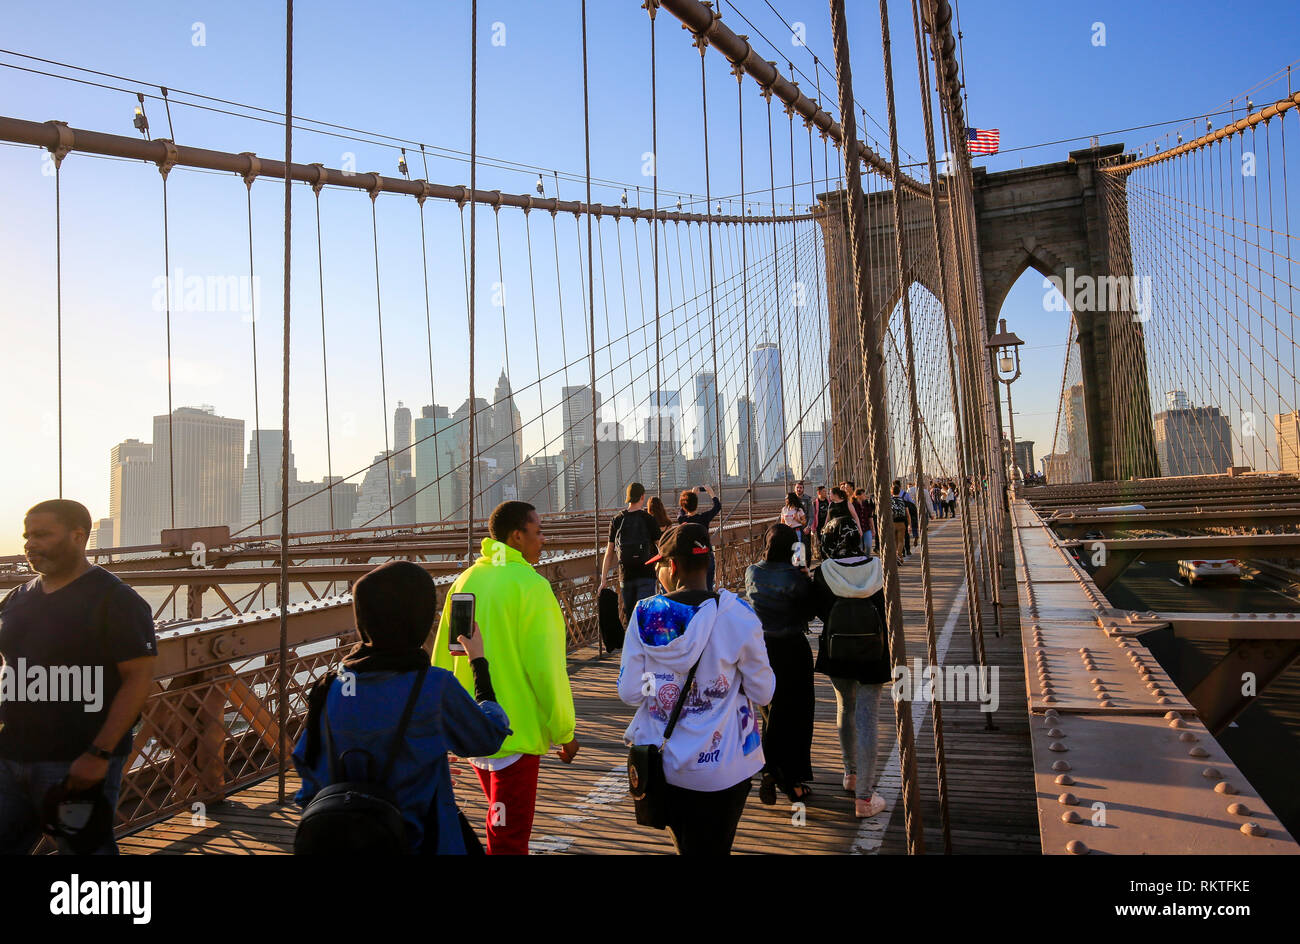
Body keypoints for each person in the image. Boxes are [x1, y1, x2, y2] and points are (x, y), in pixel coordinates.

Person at [293, 561, 510, 854]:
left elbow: (309, 781)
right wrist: (478, 663)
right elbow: (489, 737)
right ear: (417, 620)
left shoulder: (330, 686)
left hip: (341, 842)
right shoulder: (432, 686)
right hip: (422, 841)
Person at [0, 500, 156, 855]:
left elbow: (138, 678)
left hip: (74, 761)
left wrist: (98, 754)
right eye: (27, 536)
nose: (29, 544)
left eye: (42, 534)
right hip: (9, 758)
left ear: (78, 536)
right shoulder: (16, 599)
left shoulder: (116, 600)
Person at [431, 501, 579, 854]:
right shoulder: (532, 586)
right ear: (517, 536)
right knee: (508, 841)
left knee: (499, 825)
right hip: (515, 735)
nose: (545, 539)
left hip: (474, 732)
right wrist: (564, 732)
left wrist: (441, 725)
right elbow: (546, 668)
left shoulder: (466, 579)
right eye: (538, 531)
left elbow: (441, 657)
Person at [619, 524, 774, 854]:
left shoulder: (646, 615)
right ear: (708, 563)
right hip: (728, 769)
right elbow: (764, 694)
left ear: (671, 567)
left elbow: (631, 693)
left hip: (669, 769)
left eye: (660, 564)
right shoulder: (739, 615)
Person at [809, 516, 890, 819]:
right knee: (868, 719)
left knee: (845, 708)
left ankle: (850, 774)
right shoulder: (879, 568)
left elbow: (817, 612)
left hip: (837, 653)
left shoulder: (823, 573)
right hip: (875, 652)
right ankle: (865, 798)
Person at [743, 524, 815, 805]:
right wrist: (806, 577)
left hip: (761, 650)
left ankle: (771, 769)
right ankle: (788, 777)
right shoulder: (795, 578)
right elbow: (809, 613)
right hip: (793, 650)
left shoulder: (752, 572)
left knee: (771, 712)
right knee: (796, 716)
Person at [599, 482, 663, 627]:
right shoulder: (649, 519)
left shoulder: (617, 520)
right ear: (642, 497)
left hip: (626, 576)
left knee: (631, 619)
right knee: (646, 619)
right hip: (646, 574)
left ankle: (632, 647)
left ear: (627, 498)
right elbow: (662, 549)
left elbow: (609, 553)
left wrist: (603, 580)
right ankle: (646, 648)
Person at [677, 484, 721, 591]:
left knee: (692, 589)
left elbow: (680, 512)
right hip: (706, 554)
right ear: (697, 505)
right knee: (708, 588)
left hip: (691, 557)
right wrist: (712, 494)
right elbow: (717, 507)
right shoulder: (704, 518)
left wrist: (692, 495)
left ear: (684, 506)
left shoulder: (682, 520)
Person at [889, 480, 911, 562]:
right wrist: (909, 525)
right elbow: (907, 514)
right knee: (901, 541)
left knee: (894, 541)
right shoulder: (903, 501)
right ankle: (899, 556)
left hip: (892, 523)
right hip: (901, 523)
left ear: (891, 492)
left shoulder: (889, 501)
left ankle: (897, 556)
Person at [808, 486, 830, 559]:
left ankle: (830, 556)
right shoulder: (814, 503)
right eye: (824, 491)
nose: (825, 493)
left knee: (829, 541)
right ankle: (824, 558)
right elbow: (812, 515)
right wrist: (813, 528)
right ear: (819, 493)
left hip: (829, 525)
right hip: (819, 526)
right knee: (821, 542)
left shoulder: (829, 501)